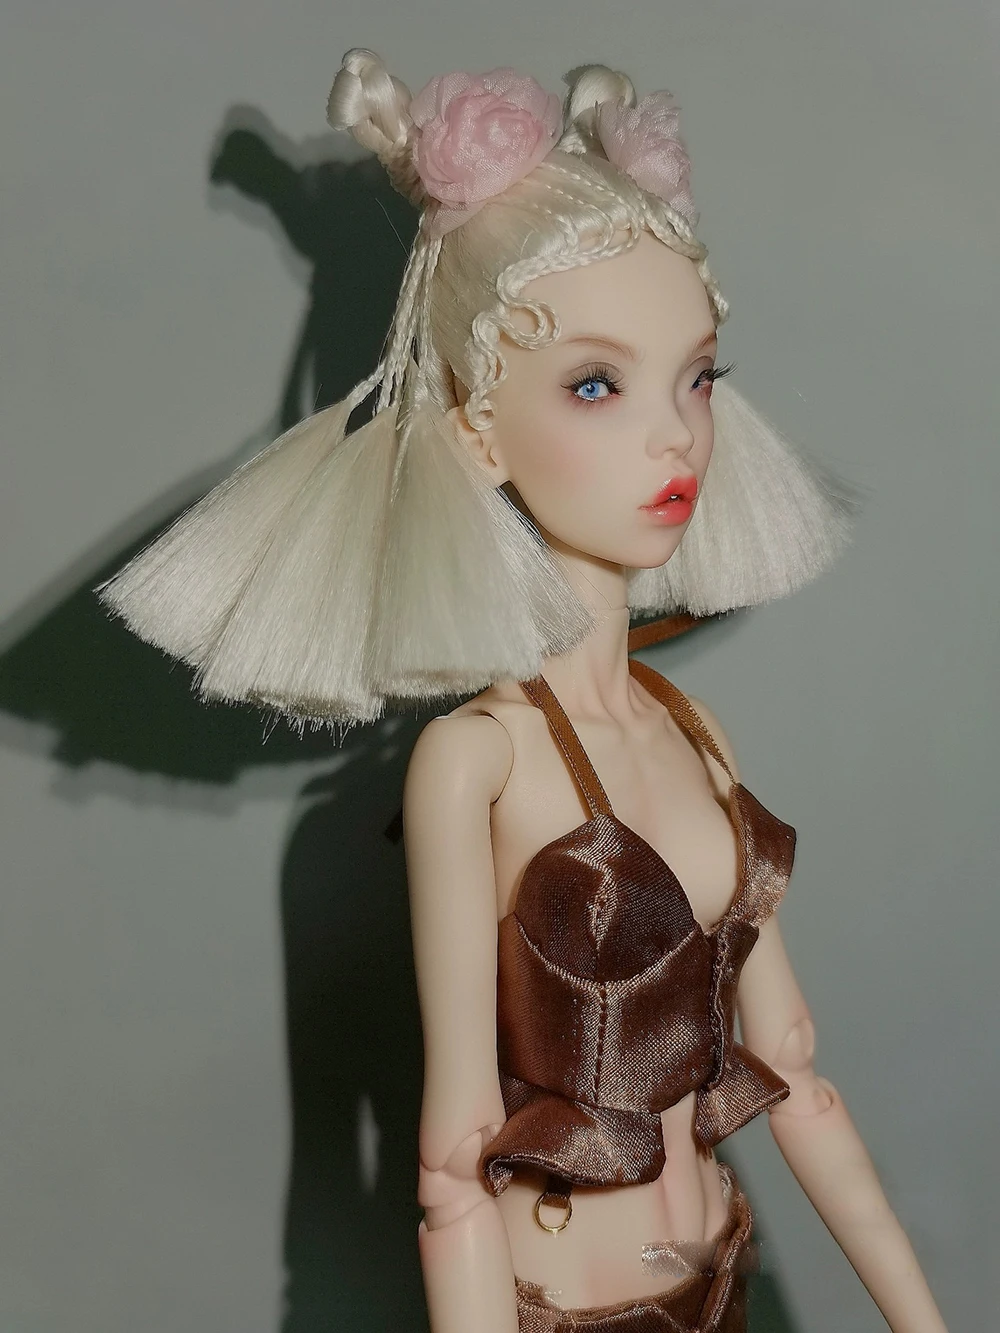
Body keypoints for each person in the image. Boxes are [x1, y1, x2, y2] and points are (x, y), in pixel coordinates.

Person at [95, 48, 947, 1333]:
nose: (675, 433)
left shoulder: (691, 731)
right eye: (596, 385)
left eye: (697, 376)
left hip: (723, 1274)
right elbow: (451, 1169)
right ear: (479, 431)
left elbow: (798, 1074)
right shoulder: (476, 762)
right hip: (560, 1303)